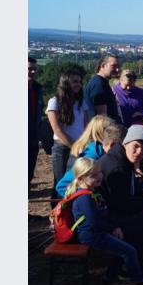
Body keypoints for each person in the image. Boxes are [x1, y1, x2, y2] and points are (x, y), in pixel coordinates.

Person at [66, 157, 143, 285]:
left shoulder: (93, 192)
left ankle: (108, 280)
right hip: (91, 236)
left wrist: (114, 226)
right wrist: (113, 228)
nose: (99, 177)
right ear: (81, 179)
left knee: (125, 246)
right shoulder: (84, 198)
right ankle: (140, 283)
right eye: (94, 175)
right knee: (129, 251)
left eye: (100, 173)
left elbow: (104, 214)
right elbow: (94, 222)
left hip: (98, 232)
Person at [97, 125, 143, 264]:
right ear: (126, 142)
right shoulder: (117, 168)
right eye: (135, 146)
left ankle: (141, 249)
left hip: (111, 211)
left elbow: (131, 191)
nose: (139, 152)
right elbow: (122, 206)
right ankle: (138, 258)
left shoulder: (122, 158)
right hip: (105, 219)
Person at [46, 68, 91, 198]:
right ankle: (57, 209)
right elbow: (57, 129)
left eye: (80, 82)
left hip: (80, 147)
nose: (79, 84)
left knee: (75, 182)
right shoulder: (54, 102)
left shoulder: (81, 103)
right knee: (60, 182)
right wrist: (73, 146)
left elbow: (87, 126)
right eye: (75, 81)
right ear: (65, 83)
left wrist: (83, 145)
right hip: (62, 149)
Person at [56, 121, 123, 198]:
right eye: (122, 148)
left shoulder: (104, 154)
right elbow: (62, 186)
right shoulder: (91, 159)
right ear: (112, 145)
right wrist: (83, 198)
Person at [84, 54, 122, 122]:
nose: (117, 69)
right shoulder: (98, 85)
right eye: (113, 66)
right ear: (102, 65)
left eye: (118, 66)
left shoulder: (102, 82)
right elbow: (102, 118)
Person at [29, 57, 44, 185]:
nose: (33, 72)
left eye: (34, 69)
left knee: (30, 165)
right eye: (29, 69)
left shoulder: (38, 89)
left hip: (33, 135)